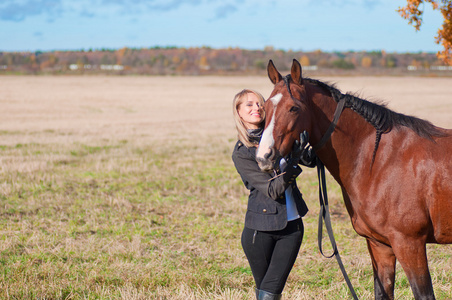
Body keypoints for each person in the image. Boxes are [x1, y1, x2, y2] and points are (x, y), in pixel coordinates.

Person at [231, 89, 315, 300]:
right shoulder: (242, 152)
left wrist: (308, 146)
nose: (256, 108)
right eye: (249, 105)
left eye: (259, 103)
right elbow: (273, 190)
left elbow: (312, 160)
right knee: (266, 292)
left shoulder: (280, 139)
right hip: (258, 232)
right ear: (239, 112)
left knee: (270, 291)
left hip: (292, 227)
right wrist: (294, 162)